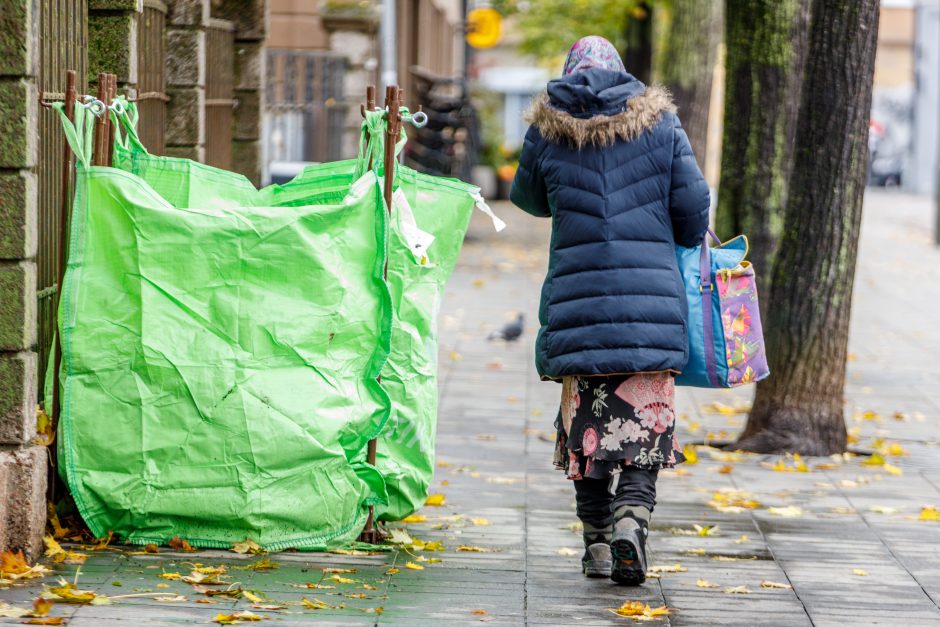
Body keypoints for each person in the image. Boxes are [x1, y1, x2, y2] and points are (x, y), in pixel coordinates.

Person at [510, 36, 709, 585]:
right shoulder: (662, 124)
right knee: (646, 430)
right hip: (650, 310)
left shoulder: (547, 129)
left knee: (587, 432)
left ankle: (597, 543)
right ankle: (631, 521)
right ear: (623, 73)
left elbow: (526, 198)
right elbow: (693, 211)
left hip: (579, 309)